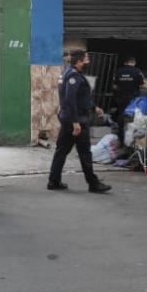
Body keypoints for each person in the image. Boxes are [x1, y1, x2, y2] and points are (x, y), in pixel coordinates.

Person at [47, 50, 112, 193]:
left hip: (68, 118)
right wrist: (75, 122)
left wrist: (94, 107)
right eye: (86, 59)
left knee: (61, 150)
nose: (88, 62)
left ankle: (54, 180)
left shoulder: (69, 72)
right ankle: (93, 184)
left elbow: (80, 97)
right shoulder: (73, 76)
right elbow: (70, 100)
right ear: (79, 62)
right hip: (76, 120)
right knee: (84, 153)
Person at [113, 56, 145, 140]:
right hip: (133, 99)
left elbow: (115, 86)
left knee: (121, 116)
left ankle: (121, 138)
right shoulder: (138, 72)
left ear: (125, 62)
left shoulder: (118, 71)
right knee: (133, 117)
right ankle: (131, 139)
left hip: (121, 98)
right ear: (133, 63)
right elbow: (142, 85)